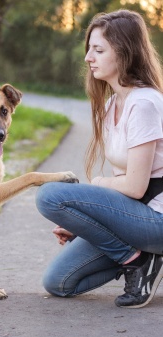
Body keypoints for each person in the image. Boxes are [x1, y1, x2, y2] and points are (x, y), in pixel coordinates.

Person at [35, 9, 163, 308]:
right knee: (59, 282)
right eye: (89, 49)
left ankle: (137, 260)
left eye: (98, 50)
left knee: (49, 196)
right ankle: (140, 257)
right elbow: (128, 190)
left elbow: (133, 187)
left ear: (124, 53)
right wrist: (85, 222)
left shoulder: (144, 103)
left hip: (157, 219)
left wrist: (98, 183)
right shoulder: (110, 105)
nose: (88, 58)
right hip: (137, 216)